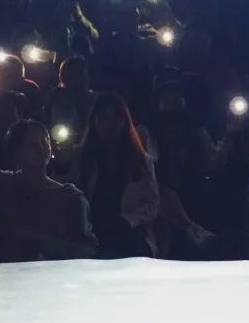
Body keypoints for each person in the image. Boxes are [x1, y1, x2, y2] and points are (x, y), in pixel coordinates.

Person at [76, 92, 215, 258]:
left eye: (116, 118)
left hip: (128, 230)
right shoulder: (82, 157)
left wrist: (128, 220)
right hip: (90, 229)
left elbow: (153, 203)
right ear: (94, 121)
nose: (110, 124)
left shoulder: (140, 158)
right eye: (103, 118)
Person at [0, 87, 97, 262]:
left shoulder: (70, 197)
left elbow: (85, 248)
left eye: (44, 142)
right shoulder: (4, 185)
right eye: (32, 145)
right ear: (16, 152)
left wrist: (41, 246)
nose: (41, 149)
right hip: (5, 271)